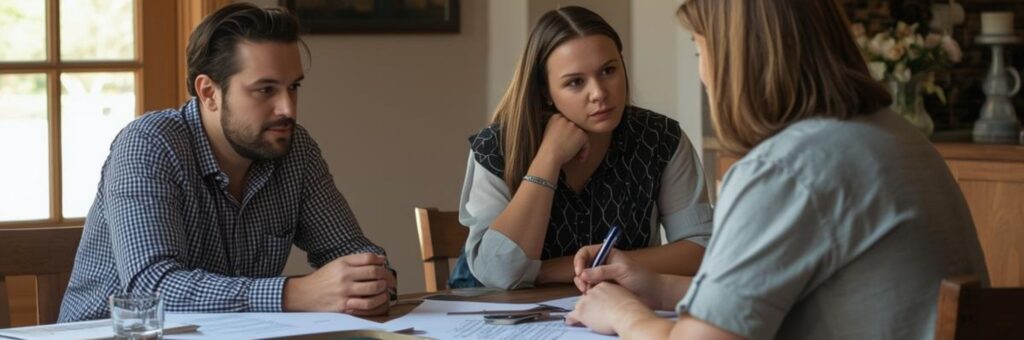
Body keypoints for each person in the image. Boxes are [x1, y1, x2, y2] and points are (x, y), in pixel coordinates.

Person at [565, 1, 989, 339]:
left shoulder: (786, 169)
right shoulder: (896, 135)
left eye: (700, 50)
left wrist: (625, 315)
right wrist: (658, 289)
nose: (703, 74)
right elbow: (802, 298)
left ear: (736, 57)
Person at [59, 3, 395, 322]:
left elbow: (348, 249)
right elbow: (153, 287)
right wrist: (294, 293)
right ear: (208, 93)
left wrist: (373, 280)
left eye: (293, 87)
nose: (288, 109)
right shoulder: (148, 145)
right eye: (265, 90)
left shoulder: (296, 150)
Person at [451, 5, 712, 290]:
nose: (599, 93)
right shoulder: (496, 147)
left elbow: (700, 250)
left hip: (616, 315)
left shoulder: (660, 139)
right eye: (575, 82)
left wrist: (550, 271)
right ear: (544, 91)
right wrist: (549, 156)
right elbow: (498, 273)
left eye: (608, 70)